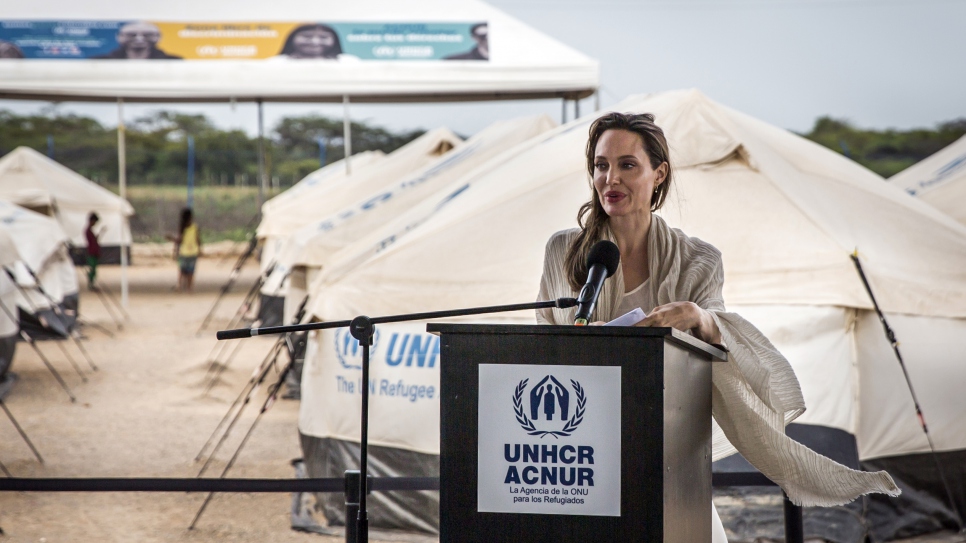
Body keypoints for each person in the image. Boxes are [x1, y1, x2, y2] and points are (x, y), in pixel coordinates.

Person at [536, 112, 899, 542]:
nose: (609, 178)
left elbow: (720, 341)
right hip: (577, 461)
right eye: (600, 165)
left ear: (659, 173)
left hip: (668, 459)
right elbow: (542, 344)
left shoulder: (698, 260)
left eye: (627, 165)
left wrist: (701, 318)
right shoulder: (564, 250)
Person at [93, 21, 182, 60]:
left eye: (148, 35)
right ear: (119, 36)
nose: (139, 38)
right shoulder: (99, 60)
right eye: (131, 35)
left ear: (159, 37)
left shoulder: (174, 60)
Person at [276, 24, 343, 59]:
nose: (315, 42)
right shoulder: (274, 64)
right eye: (307, 36)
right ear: (292, 38)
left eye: (323, 37)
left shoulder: (347, 62)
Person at [174, 208, 201, 292]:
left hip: (184, 252)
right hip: (193, 252)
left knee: (182, 271)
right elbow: (198, 239)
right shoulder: (194, 227)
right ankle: (189, 287)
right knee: (191, 272)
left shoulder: (182, 228)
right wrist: (200, 249)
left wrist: (176, 251)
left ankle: (179, 285)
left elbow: (179, 241)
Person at [85, 212, 100, 290]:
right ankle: (90, 284)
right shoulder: (88, 231)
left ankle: (92, 283)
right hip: (92, 253)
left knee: (93, 269)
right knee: (92, 269)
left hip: (93, 252)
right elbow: (92, 242)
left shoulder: (90, 231)